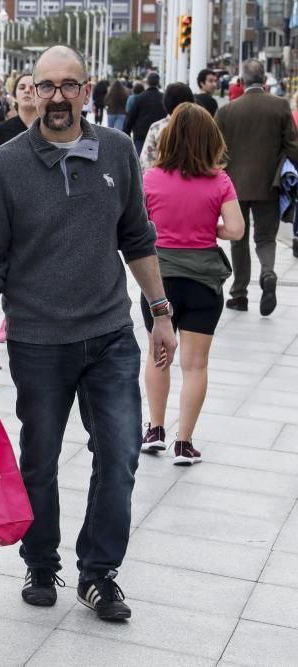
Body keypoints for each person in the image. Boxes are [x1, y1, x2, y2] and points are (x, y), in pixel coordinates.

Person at [0, 46, 175, 622]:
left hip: (110, 334)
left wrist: (161, 312)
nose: (58, 97)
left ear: (88, 90)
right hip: (38, 339)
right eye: (47, 85)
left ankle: (99, 573)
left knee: (122, 451)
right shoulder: (2, 166)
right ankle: (40, 561)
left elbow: (137, 236)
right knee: (40, 456)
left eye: (70, 86)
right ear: (30, 90)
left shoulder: (118, 150)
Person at [140, 103, 245, 465]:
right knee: (195, 365)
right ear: (210, 139)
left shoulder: (151, 178)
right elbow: (236, 230)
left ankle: (154, 429)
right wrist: (207, 229)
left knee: (159, 357)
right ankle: (184, 442)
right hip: (203, 282)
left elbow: (137, 227)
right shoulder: (220, 180)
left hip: (159, 284)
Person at [216, 59, 298, 315]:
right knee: (265, 237)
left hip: (234, 188)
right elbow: (294, 148)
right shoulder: (281, 106)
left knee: (238, 239)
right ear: (264, 81)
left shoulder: (228, 111)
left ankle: (239, 293)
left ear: (241, 81)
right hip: (269, 185)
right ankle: (268, 273)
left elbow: (215, 151)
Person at [138, 83, 195, 170]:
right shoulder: (200, 125)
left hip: (163, 178)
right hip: (195, 178)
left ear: (166, 102)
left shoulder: (157, 127)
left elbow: (146, 163)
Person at [0, 72, 36, 149]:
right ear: (15, 95)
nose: (27, 91)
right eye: (22, 88)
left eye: (32, 88)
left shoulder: (52, 130)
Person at [124, 72, 165, 154]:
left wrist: (126, 132)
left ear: (147, 82)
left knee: (140, 163)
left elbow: (131, 117)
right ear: (158, 82)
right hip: (160, 135)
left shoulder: (139, 98)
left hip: (141, 135)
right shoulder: (163, 98)